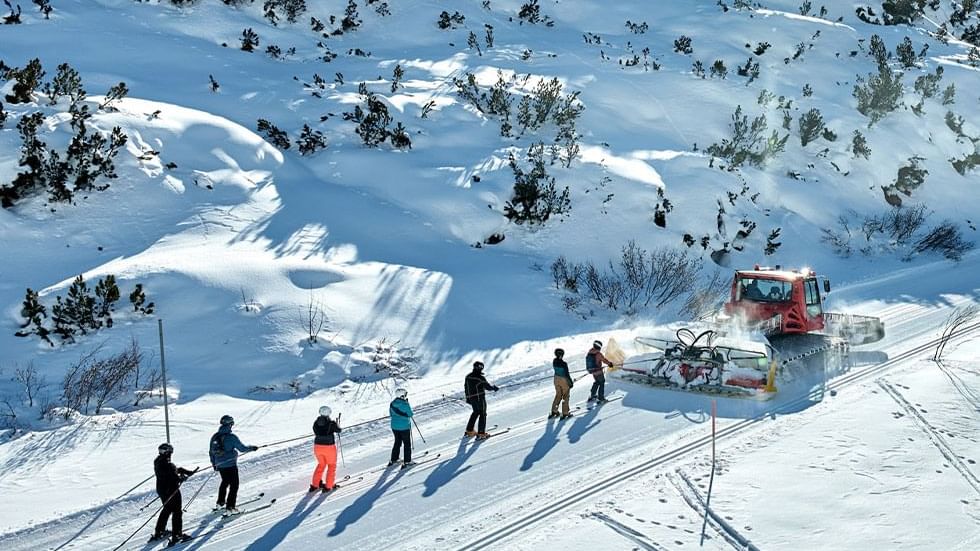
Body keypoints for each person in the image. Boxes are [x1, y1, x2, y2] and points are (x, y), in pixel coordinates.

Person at [209, 415, 258, 516]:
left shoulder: (215, 436)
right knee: (234, 485)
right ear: (230, 424)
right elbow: (242, 448)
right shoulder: (231, 437)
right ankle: (230, 507)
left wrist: (214, 464)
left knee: (225, 482)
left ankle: (220, 503)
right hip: (230, 465)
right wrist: (252, 448)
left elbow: (211, 452)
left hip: (220, 465)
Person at [151, 443, 194, 546]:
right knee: (177, 512)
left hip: (162, 490)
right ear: (167, 452)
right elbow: (173, 477)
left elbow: (170, 472)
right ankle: (177, 535)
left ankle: (159, 531)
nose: (171, 454)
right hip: (171, 490)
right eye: (170, 452)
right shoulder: (167, 464)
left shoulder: (158, 461)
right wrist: (182, 478)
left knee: (167, 509)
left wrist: (183, 471)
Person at [464, 361, 499, 439]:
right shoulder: (480, 378)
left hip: (472, 398)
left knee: (475, 412)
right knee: (483, 414)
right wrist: (494, 388)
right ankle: (481, 433)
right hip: (480, 398)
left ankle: (469, 431)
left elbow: (466, 388)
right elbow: (487, 387)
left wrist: (468, 398)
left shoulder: (468, 376)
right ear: (480, 368)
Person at [311, 406, 342, 492]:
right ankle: (329, 486)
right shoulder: (331, 423)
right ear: (329, 413)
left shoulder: (316, 423)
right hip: (329, 447)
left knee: (321, 464)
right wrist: (337, 424)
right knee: (332, 465)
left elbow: (315, 431)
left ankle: (315, 484)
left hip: (317, 446)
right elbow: (338, 430)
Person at [388, 388, 415, 468]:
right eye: (405, 394)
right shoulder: (405, 404)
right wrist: (407, 404)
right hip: (404, 427)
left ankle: (394, 459)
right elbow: (410, 414)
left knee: (397, 442)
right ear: (402, 395)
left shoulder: (392, 403)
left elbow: (391, 414)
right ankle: (407, 461)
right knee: (407, 443)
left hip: (394, 426)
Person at [549, 348, 574, 419]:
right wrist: (570, 383)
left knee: (558, 395)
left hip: (556, 379)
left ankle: (554, 411)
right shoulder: (564, 364)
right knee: (565, 396)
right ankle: (565, 413)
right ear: (562, 355)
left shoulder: (554, 361)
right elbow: (567, 374)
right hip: (563, 380)